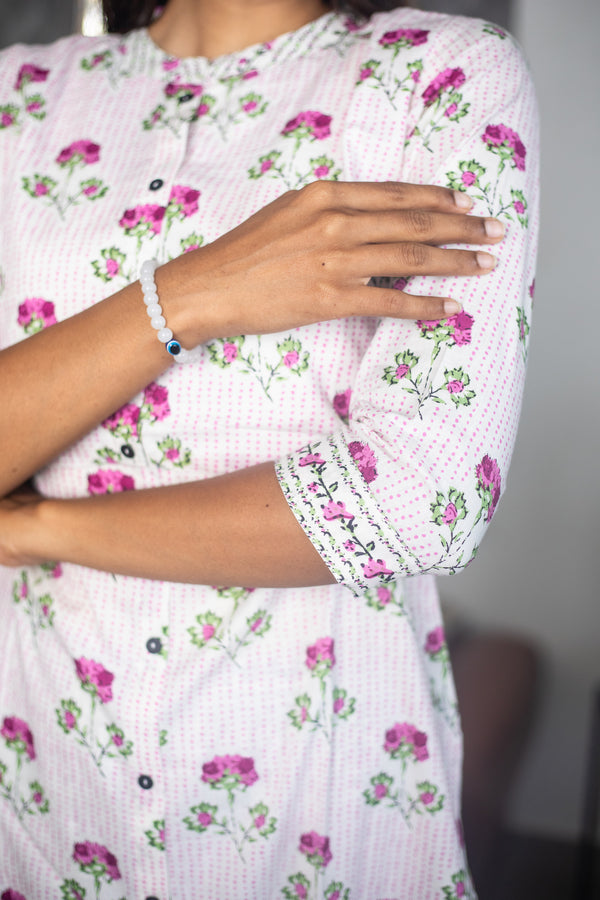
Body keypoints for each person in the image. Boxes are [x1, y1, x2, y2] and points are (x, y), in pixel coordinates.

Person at [0, 0, 538, 896]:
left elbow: (422, 502)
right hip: (41, 787)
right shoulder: (16, 99)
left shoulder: (438, 75)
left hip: (323, 798)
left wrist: (37, 529)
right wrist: (197, 293)